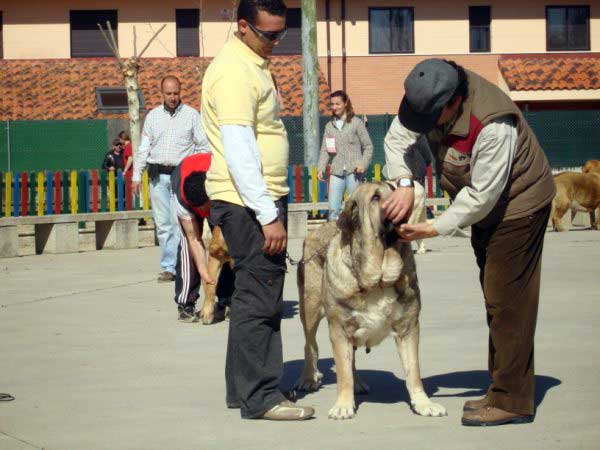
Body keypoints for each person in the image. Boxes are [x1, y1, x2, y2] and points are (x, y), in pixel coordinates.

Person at [382, 59, 555, 426]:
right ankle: (501, 388)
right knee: (496, 296)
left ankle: (513, 400)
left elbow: (482, 195)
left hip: (517, 207)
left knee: (508, 302)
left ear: (454, 102)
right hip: (486, 207)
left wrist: (432, 229)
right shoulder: (426, 95)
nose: (424, 125)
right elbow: (396, 139)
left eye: (431, 118)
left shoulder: (494, 124)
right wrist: (403, 183)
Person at [201, 0, 314, 421]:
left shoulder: (249, 63)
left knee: (250, 296)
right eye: (269, 34)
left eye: (282, 33)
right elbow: (239, 148)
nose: (277, 42)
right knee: (262, 298)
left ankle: (242, 389)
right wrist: (268, 214)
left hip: (249, 200)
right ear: (244, 26)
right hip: (249, 202)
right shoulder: (235, 72)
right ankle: (262, 397)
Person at [132, 76, 210, 283]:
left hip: (180, 177)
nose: (173, 97)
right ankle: (169, 267)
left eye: (176, 93)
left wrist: (194, 170)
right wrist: (136, 175)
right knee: (163, 223)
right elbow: (143, 148)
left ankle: (181, 265)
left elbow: (203, 146)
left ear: (180, 91)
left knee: (181, 224)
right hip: (157, 176)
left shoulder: (192, 116)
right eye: (169, 93)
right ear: (162, 93)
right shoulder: (153, 117)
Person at [170, 152, 235, 323]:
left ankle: (227, 300)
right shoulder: (182, 200)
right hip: (184, 180)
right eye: (203, 211)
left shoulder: (220, 177)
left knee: (230, 242)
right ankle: (186, 303)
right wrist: (205, 273)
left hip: (220, 193)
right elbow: (194, 239)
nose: (206, 214)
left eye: (208, 209)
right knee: (186, 243)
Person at [317, 91, 373, 221]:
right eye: (332, 104)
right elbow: (325, 150)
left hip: (354, 172)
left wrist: (363, 164)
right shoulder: (329, 126)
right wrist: (321, 167)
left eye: (338, 103)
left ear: (345, 104)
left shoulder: (356, 123)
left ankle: (357, 238)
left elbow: (368, 146)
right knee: (333, 210)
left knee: (355, 209)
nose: (334, 107)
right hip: (336, 171)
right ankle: (336, 238)